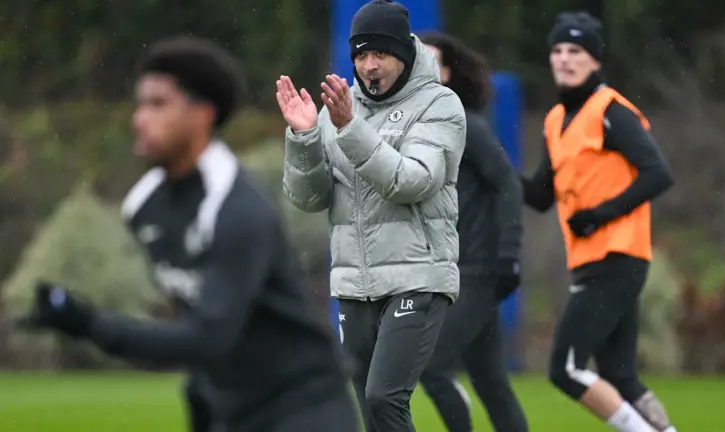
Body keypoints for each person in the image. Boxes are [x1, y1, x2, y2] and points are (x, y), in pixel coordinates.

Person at [16, 36, 359, 432]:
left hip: (304, 410)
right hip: (234, 412)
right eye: (140, 104)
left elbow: (208, 338)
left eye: (158, 104)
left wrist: (89, 324)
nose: (139, 118)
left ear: (203, 115)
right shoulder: (144, 207)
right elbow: (200, 331)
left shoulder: (237, 209)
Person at [278, 0, 466, 430]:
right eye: (361, 55)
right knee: (367, 405)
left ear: (403, 53)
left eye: (380, 53)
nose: (369, 65)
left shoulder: (440, 105)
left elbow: (412, 181)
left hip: (419, 276)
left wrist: (349, 129)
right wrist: (305, 136)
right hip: (354, 284)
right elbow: (309, 198)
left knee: (384, 397)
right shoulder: (339, 109)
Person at [521, 11, 677, 432]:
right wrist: (488, 168)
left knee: (565, 369)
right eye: (557, 50)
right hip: (590, 260)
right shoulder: (555, 120)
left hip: (618, 255)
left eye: (576, 50)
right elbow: (538, 196)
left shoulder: (611, 110)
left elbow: (658, 173)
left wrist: (600, 214)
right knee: (619, 376)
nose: (565, 59)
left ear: (595, 60)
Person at [418, 31, 529, 432]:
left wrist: (509, 254)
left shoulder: (466, 125)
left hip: (474, 270)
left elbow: (508, 183)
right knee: (492, 383)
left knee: (431, 368)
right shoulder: (414, 127)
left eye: (432, 61)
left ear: (447, 73)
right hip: (442, 268)